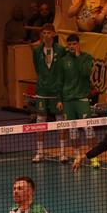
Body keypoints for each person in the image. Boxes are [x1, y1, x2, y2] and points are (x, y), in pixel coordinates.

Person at [54, 34, 95, 163]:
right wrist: (59, 99)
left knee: (88, 128)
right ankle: (77, 156)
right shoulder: (63, 61)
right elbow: (59, 81)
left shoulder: (87, 58)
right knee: (72, 130)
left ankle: (93, 157)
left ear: (78, 44)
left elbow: (86, 73)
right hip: (67, 100)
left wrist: (78, 57)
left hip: (82, 98)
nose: (72, 46)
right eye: (70, 44)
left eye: (74, 44)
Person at [30, 24, 65, 163]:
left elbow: (63, 69)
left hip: (57, 92)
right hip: (42, 91)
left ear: (54, 34)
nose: (46, 35)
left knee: (60, 122)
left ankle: (62, 153)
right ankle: (39, 152)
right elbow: (37, 68)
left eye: (49, 33)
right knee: (40, 121)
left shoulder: (61, 50)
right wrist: (44, 80)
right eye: (44, 33)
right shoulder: (37, 51)